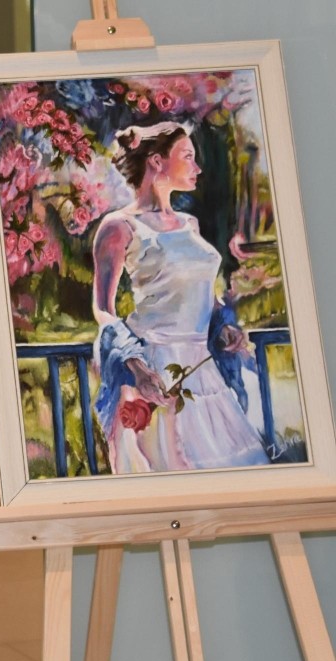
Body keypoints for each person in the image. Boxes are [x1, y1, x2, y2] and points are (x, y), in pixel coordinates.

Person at [91, 121, 269, 474]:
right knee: (173, 463)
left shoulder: (190, 224)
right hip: (154, 367)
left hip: (202, 365)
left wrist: (223, 325)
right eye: (188, 156)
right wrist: (136, 366)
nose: (197, 168)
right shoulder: (119, 226)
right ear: (157, 161)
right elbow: (102, 309)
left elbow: (200, 293)